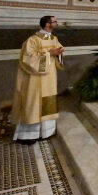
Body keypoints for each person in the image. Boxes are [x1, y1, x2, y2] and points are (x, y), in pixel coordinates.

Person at [12, 15, 64, 143]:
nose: (57, 23)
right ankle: (28, 136)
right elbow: (27, 59)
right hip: (34, 80)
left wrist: (59, 53)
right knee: (32, 104)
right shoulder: (32, 40)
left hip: (49, 78)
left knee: (48, 102)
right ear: (47, 24)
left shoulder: (54, 38)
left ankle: (46, 132)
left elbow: (58, 54)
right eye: (55, 21)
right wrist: (49, 54)